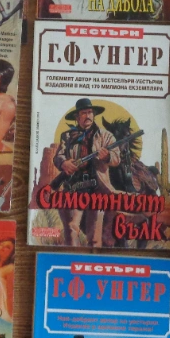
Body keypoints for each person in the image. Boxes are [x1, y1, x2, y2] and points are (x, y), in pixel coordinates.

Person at [52, 98, 121, 246]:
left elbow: (116, 159)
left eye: (90, 112)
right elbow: (58, 156)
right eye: (83, 113)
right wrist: (64, 163)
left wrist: (107, 156)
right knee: (71, 229)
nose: (88, 116)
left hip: (97, 189)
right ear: (77, 117)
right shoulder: (67, 136)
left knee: (95, 236)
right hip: (74, 187)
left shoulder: (106, 136)